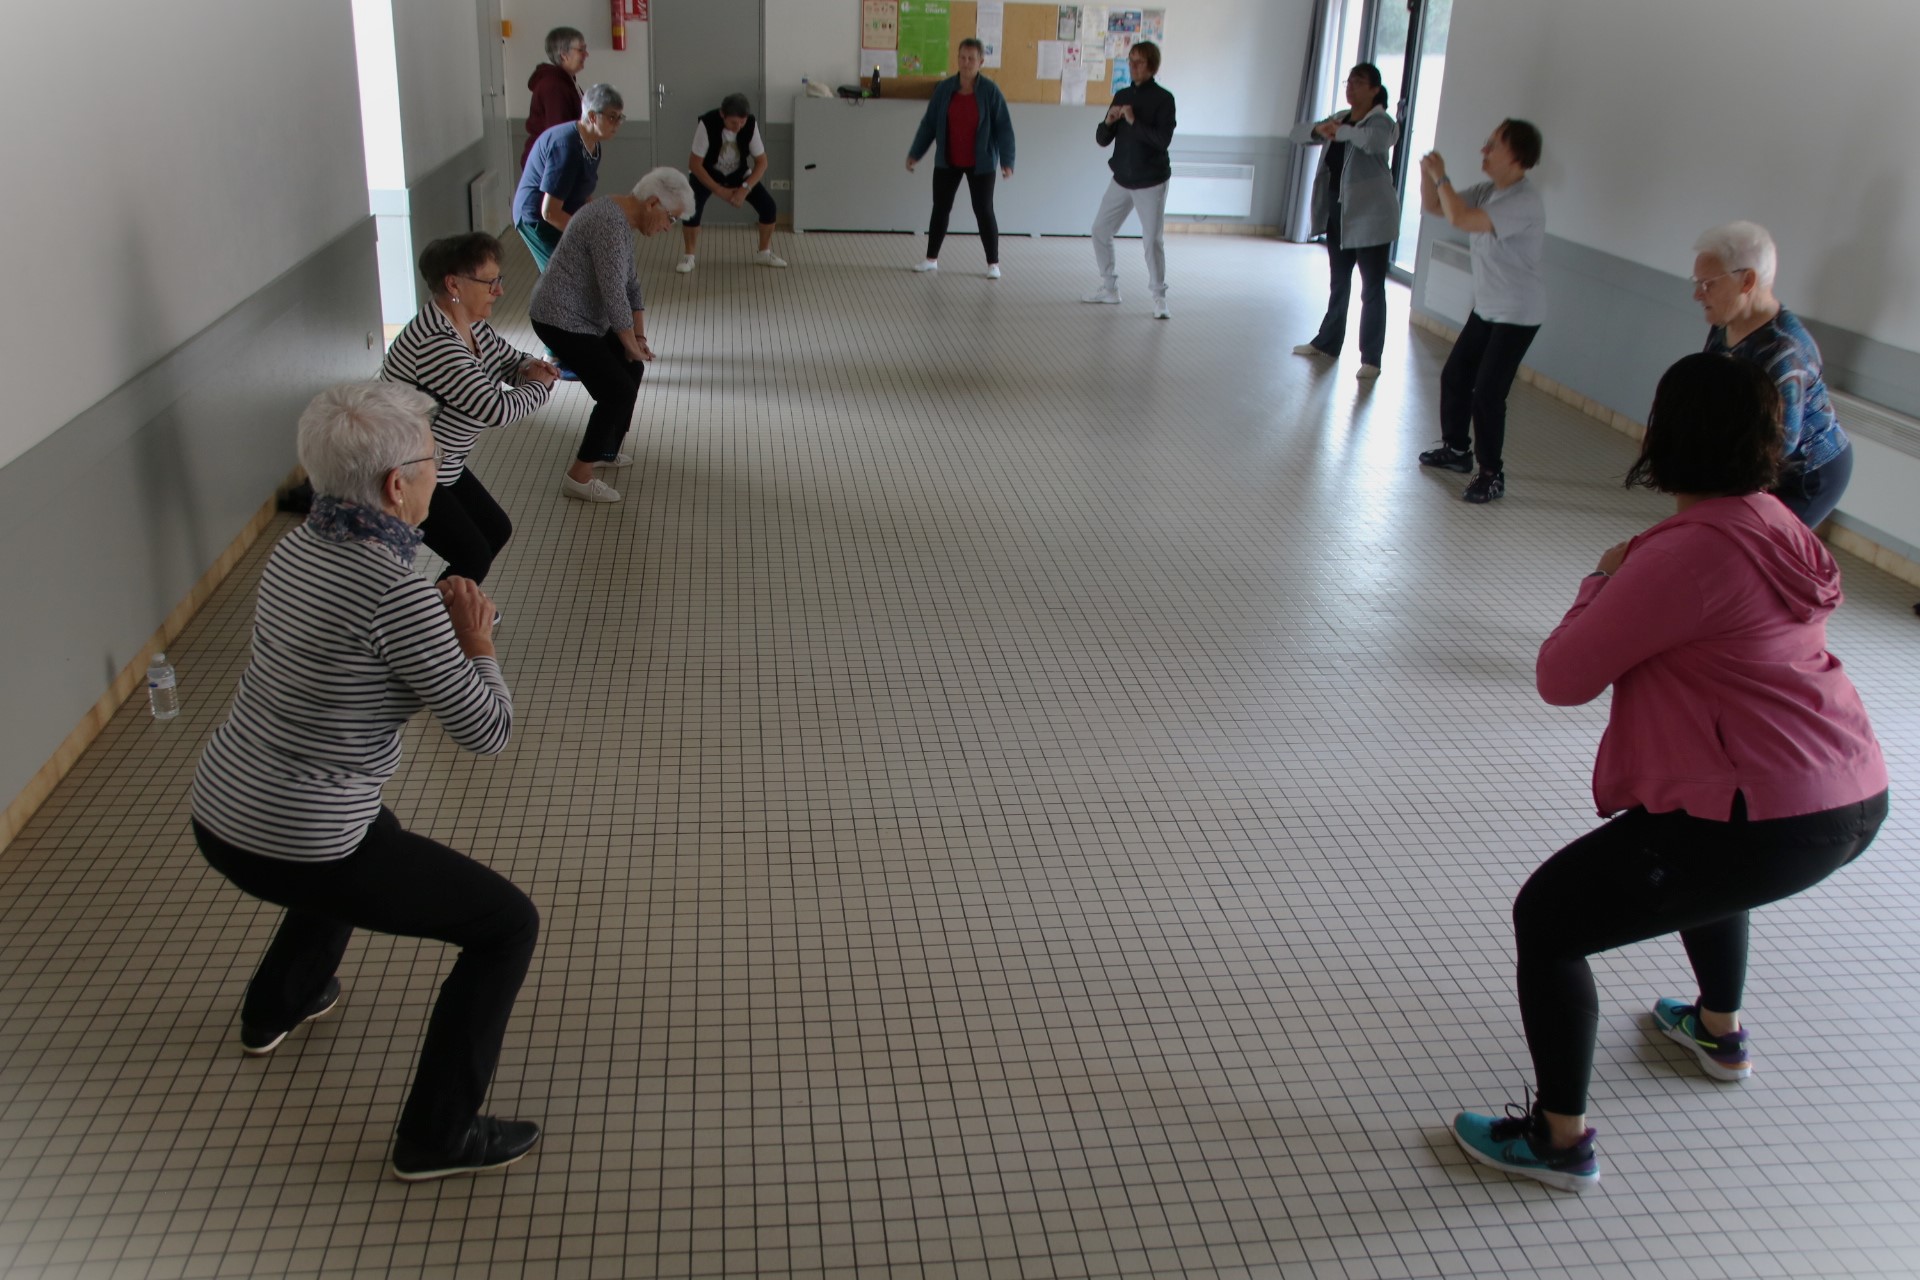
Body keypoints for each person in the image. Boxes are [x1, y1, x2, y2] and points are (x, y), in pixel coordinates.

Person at [1451, 352, 1889, 1194]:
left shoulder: (1686, 555)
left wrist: (1601, 580)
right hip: (1848, 790)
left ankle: (1557, 1140)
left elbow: (1562, 679)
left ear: (1667, 437)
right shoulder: (1777, 522)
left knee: (1549, 921)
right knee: (1703, 856)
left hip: (1772, 814)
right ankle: (1716, 1030)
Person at [189, 382, 543, 1183]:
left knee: (365, 837)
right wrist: (476, 638)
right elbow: (487, 732)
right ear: (396, 487)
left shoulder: (298, 545)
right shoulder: (397, 595)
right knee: (504, 926)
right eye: (430, 460)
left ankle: (278, 1005)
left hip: (222, 809)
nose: (437, 470)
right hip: (299, 837)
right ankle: (438, 1136)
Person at [381, 234, 558, 584]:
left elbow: (509, 360)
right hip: (402, 472)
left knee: (494, 530)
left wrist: (528, 366)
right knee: (471, 552)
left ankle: (457, 606)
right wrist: (543, 384)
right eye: (490, 282)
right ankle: (448, 620)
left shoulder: (470, 326)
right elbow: (496, 410)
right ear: (453, 284)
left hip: (441, 464)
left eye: (499, 280)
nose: (500, 290)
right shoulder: (436, 344)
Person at [528, 167, 696, 503]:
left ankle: (606, 449)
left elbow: (631, 284)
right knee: (617, 391)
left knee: (632, 368)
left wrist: (639, 340)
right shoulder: (607, 221)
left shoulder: (622, 221)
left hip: (585, 319)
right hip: (559, 319)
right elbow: (613, 294)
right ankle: (579, 477)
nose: (667, 228)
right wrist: (629, 343)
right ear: (652, 204)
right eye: (671, 219)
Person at [1415, 119, 1546, 503]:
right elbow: (1435, 206)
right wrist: (1428, 174)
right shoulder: (1490, 190)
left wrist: (1443, 177)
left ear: (1517, 156)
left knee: (1488, 393)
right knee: (1456, 375)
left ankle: (1492, 473)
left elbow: (1460, 218)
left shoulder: (1523, 201)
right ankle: (1457, 451)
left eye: (1492, 145)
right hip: (1488, 306)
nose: (1483, 151)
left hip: (1518, 313)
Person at [1694, 221, 1852, 529]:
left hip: (1806, 474)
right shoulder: (1726, 323)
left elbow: (1778, 446)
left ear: (1747, 281)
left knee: (1757, 549)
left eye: (1708, 284)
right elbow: (1708, 386)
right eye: (1697, 283)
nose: (1698, 295)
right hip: (1757, 457)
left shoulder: (1783, 351)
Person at [1288, 65, 1398, 380]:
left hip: (1371, 218)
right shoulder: (1340, 117)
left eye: (1358, 83)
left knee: (1372, 287)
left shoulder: (1382, 123)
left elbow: (1373, 142)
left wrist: (1342, 131)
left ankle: (1371, 358)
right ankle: (1328, 342)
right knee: (1339, 281)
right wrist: (1320, 130)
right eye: (1348, 82)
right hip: (1339, 213)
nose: (1350, 88)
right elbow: (1297, 134)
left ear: (1375, 89)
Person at [906, 38, 1015, 279]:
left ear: (981, 62)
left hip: (982, 162)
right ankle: (931, 259)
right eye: (962, 57)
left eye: (971, 59)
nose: (966, 63)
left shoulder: (990, 91)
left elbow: (1004, 128)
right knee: (940, 208)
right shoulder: (945, 89)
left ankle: (993, 264)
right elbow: (929, 124)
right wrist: (915, 153)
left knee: (984, 210)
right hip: (948, 160)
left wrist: (1008, 162)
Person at [1085, 42, 1177, 319]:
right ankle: (1110, 288)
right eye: (1131, 60)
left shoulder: (1164, 99)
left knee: (1151, 240)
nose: (1134, 66)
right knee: (1100, 230)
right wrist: (1110, 122)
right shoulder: (1122, 94)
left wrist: (1134, 121)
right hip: (1122, 178)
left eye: (1140, 62)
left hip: (1151, 180)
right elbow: (1102, 140)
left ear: (1152, 66)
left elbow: (1162, 141)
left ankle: (1159, 298)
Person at [513, 83, 624, 275]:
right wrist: (587, 235)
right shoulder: (566, 147)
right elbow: (549, 212)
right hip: (536, 218)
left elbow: (584, 193)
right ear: (592, 117)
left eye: (620, 117)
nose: (617, 124)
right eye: (612, 117)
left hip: (560, 213)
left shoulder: (594, 145)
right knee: (562, 277)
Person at [676, 92, 787, 274]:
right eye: (734, 123)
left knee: (769, 207)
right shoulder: (707, 123)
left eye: (742, 122)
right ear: (722, 115)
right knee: (690, 210)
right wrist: (720, 190)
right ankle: (689, 256)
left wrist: (745, 189)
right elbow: (694, 164)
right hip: (706, 173)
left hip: (738, 174)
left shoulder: (750, 125)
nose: (738, 127)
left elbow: (762, 162)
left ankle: (764, 253)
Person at [522, 27, 586, 167]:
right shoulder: (554, 86)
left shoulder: (567, 81)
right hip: (548, 164)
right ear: (564, 55)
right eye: (581, 50)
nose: (586, 54)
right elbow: (559, 134)